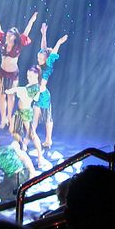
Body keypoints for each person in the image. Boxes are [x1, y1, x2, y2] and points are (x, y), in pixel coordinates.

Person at [0, 5, 38, 129]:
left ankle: (10, 118)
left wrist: (32, 21)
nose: (7, 35)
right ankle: (3, 119)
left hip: (13, 74)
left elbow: (26, 31)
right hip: (1, 72)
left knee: (11, 97)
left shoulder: (18, 44)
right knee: (1, 96)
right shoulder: (2, 40)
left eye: (10, 34)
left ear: (15, 37)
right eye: (7, 33)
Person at [33, 23, 68, 151]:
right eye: (38, 57)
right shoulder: (43, 58)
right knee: (35, 116)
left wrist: (58, 43)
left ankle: (48, 139)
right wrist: (43, 34)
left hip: (44, 94)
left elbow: (52, 54)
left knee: (47, 117)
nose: (38, 59)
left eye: (40, 57)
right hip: (37, 92)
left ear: (46, 59)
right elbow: (43, 48)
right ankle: (30, 135)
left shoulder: (48, 65)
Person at [5, 66, 46, 167]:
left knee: (32, 135)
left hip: (26, 113)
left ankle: (40, 156)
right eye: (28, 76)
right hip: (19, 111)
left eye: (31, 76)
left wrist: (13, 90)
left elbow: (24, 92)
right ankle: (22, 145)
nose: (28, 78)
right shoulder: (30, 85)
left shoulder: (35, 87)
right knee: (11, 129)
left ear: (37, 76)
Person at [0, 139, 36, 206]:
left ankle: (15, 196)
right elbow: (23, 156)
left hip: (14, 180)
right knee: (6, 177)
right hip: (25, 174)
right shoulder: (8, 147)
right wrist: (32, 171)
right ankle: (17, 192)